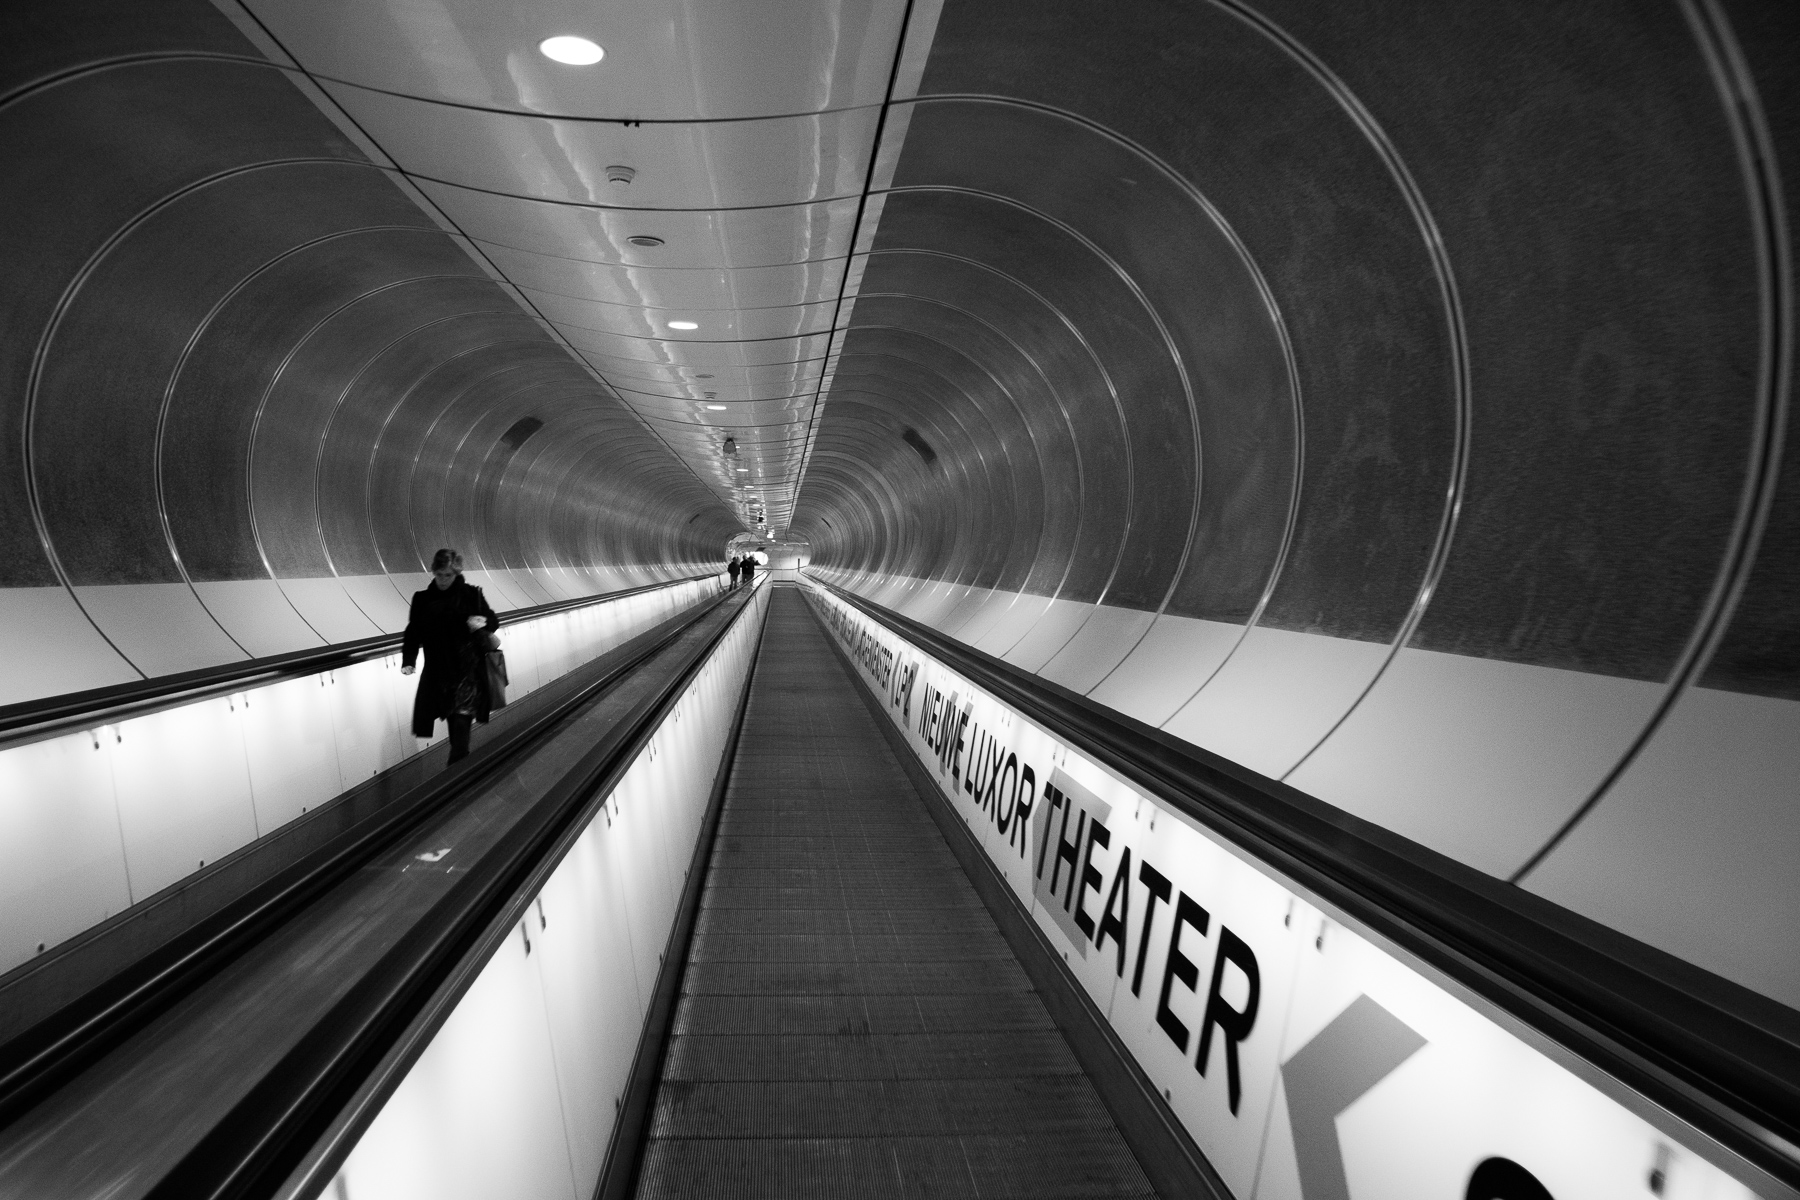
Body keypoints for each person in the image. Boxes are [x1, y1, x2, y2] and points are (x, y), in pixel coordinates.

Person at [401, 548, 499, 764]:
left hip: (468, 673)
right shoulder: (423, 600)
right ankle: (461, 772)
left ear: (456, 574)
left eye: (448, 575)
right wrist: (409, 660)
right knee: (453, 720)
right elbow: (413, 632)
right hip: (440, 673)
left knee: (461, 721)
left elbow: (493, 621)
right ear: (434, 572)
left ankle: (457, 774)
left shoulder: (471, 595)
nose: (443, 580)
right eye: (439, 575)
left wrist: (480, 623)